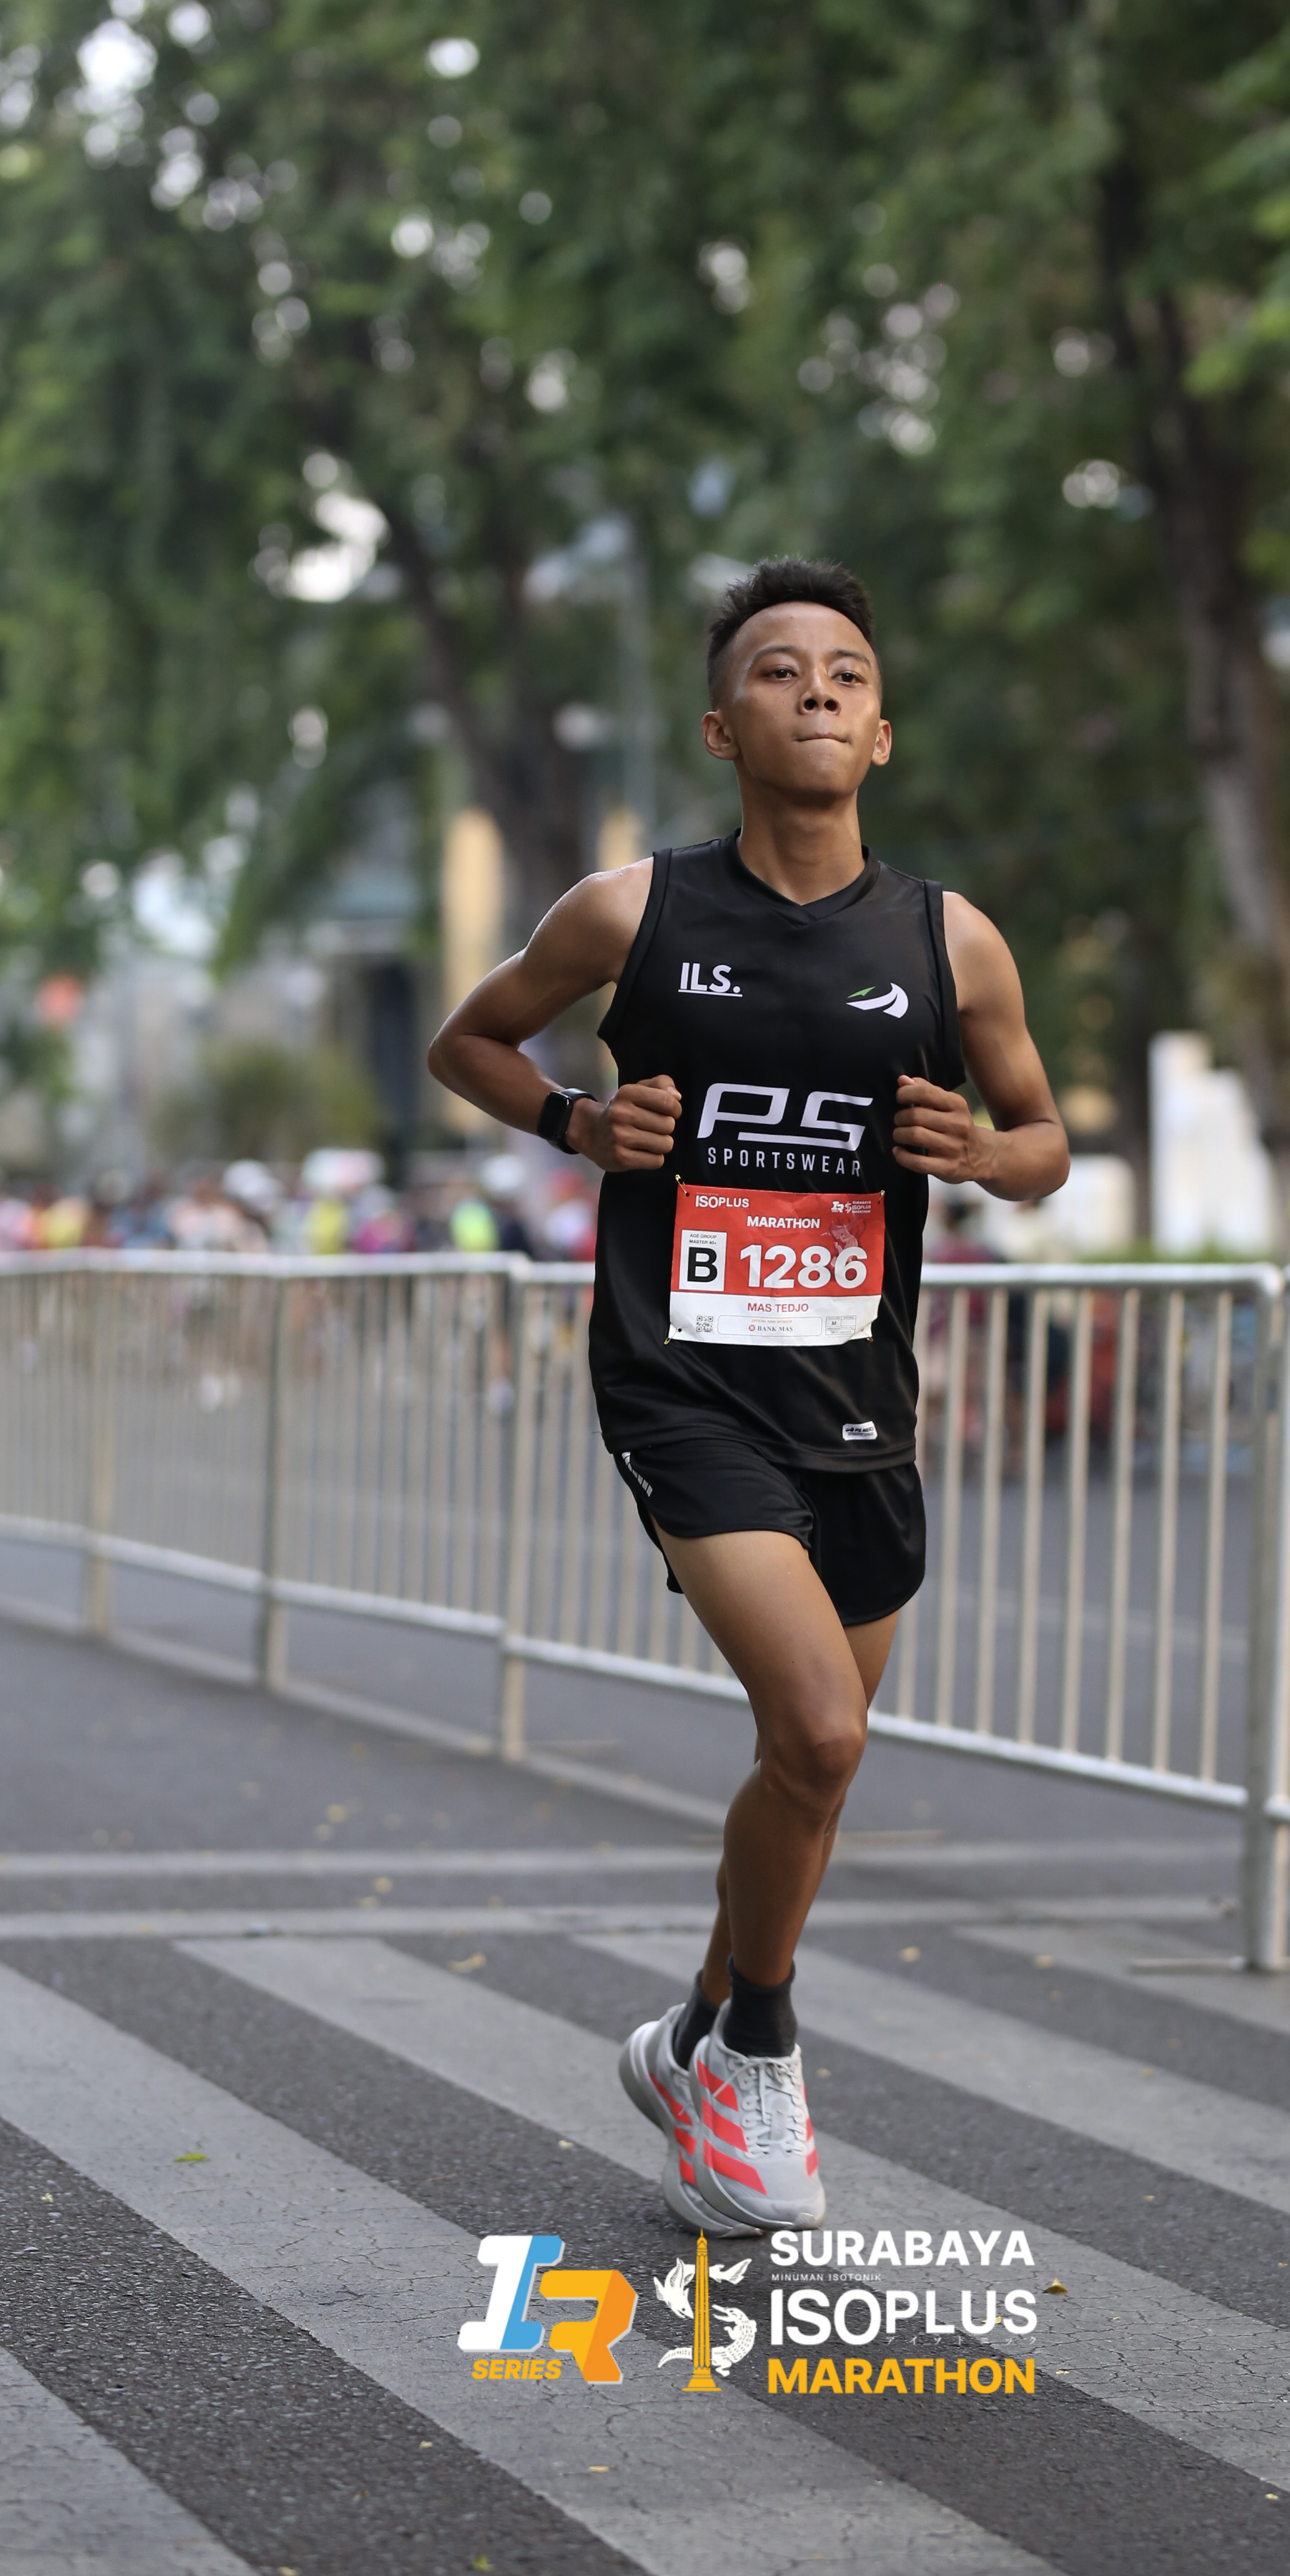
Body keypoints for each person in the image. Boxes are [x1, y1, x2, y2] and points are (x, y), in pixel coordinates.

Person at [428, 556, 1067, 2232]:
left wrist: (977, 1152)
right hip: (681, 1378)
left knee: (809, 1770)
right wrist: (577, 1124)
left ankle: (694, 2030)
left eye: (846, 673)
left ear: (882, 734)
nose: (816, 691)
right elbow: (468, 1041)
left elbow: (1045, 1140)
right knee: (821, 1728)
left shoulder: (949, 941)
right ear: (723, 729)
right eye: (779, 671)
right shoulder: (630, 915)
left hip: (857, 1395)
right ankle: (760, 2057)